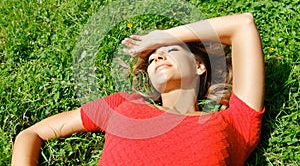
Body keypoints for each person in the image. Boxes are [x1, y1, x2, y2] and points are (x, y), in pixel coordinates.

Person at [11, 13, 265, 166]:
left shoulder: (234, 122)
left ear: (199, 66)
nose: (158, 58)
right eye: (153, 58)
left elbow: (242, 25)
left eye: (170, 51)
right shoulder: (125, 105)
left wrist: (163, 36)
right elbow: (32, 134)